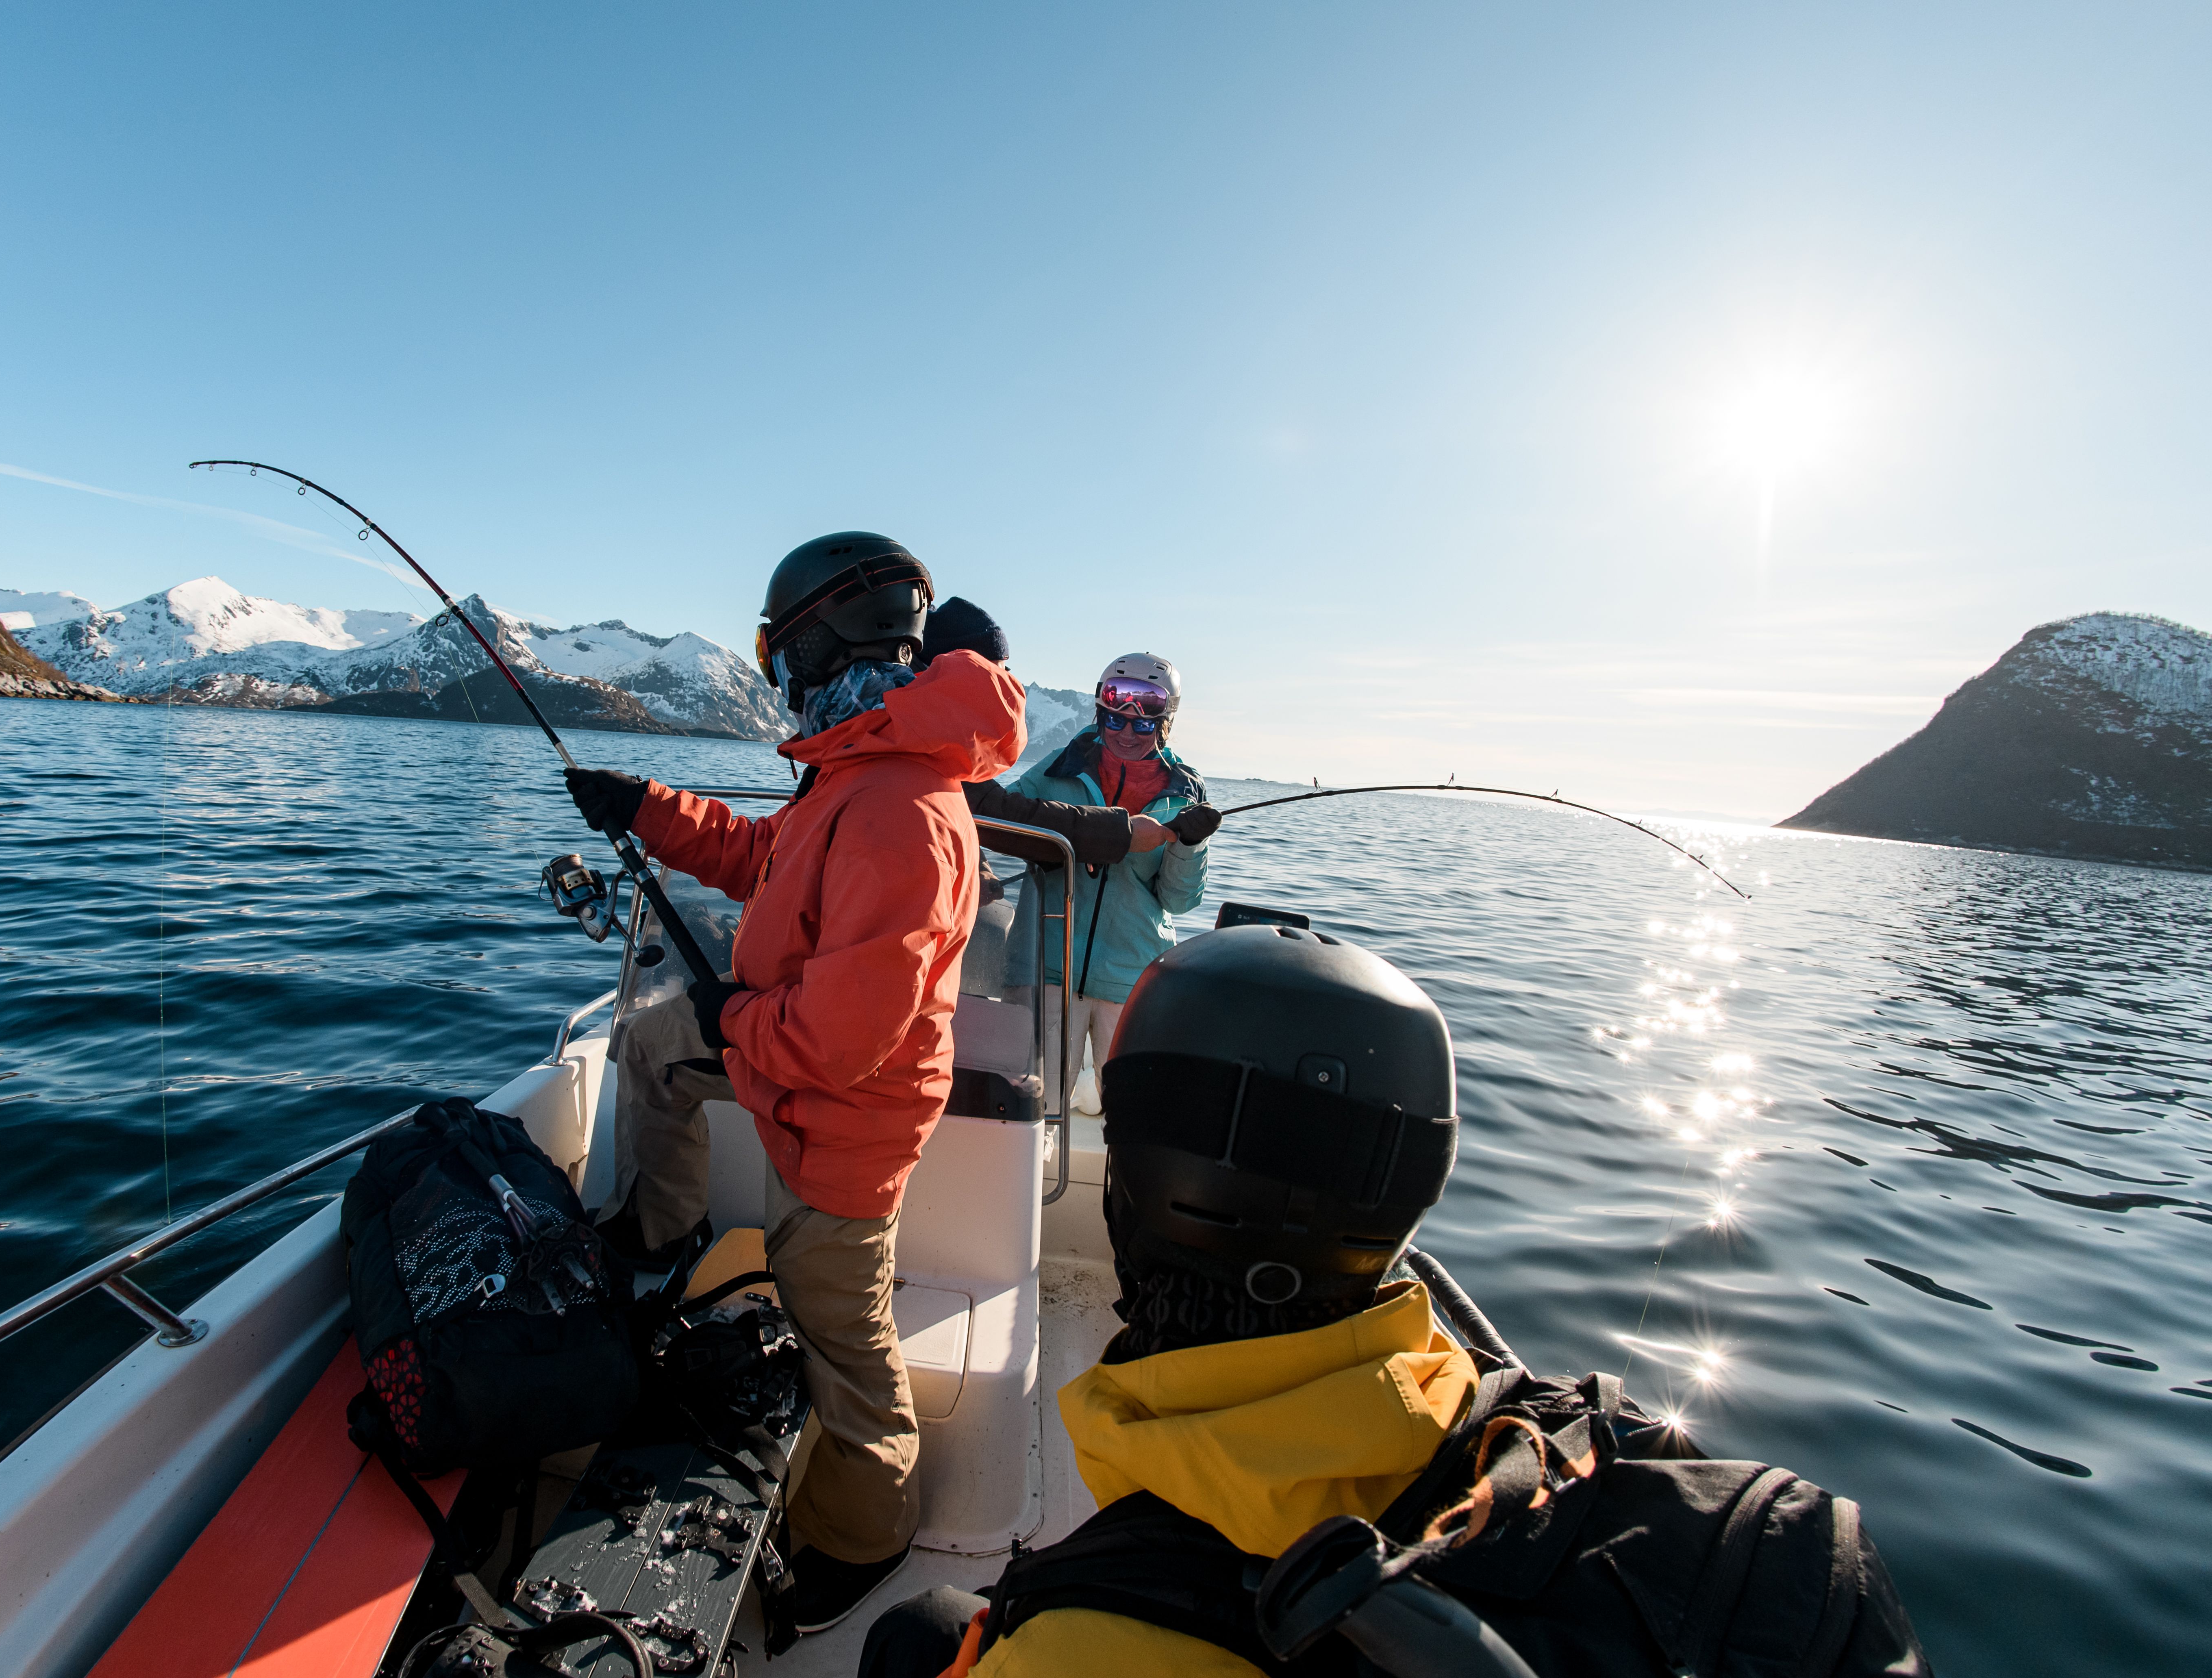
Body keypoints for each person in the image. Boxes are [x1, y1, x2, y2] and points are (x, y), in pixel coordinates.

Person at [859, 926, 1932, 1678]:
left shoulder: (1074, 1656)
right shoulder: (1571, 1446)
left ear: (1129, 1194)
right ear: (1411, 1193)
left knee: (926, 1634)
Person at [563, 531, 1027, 1635]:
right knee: (652, 1042)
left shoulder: (901, 810)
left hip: (845, 1121)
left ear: (813, 645)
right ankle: (661, 1228)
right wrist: (645, 807)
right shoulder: (855, 771)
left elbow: (842, 1037)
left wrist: (737, 1019)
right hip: (790, 1074)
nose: (775, 670)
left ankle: (865, 1537)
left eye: (777, 649)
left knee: (842, 1333)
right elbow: (755, 856)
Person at [1004, 653, 1220, 1110]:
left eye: (1142, 726)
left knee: (1133, 1112)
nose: (1126, 734)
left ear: (1164, 724)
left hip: (1132, 980)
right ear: (1100, 713)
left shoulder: (1184, 790)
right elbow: (1003, 820)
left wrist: (1190, 847)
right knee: (1032, 1111)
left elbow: (1180, 902)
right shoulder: (1057, 769)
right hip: (1046, 968)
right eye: (1115, 720)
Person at [917, 598, 1176, 869]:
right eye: (992, 676)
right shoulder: (919, 741)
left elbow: (973, 814)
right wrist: (1122, 835)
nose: (1002, 689)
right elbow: (995, 813)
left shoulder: (923, 734)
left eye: (1005, 675)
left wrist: (980, 871)